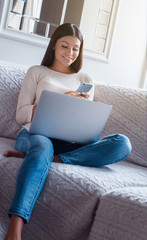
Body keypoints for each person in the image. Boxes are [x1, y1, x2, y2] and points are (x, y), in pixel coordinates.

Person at [3, 23, 132, 240]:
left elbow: (84, 120)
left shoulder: (85, 80)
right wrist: (58, 102)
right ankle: (15, 228)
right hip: (36, 135)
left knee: (122, 143)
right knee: (42, 146)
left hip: (71, 141)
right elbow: (21, 114)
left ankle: (50, 159)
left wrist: (80, 108)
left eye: (75, 49)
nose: (70, 53)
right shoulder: (37, 72)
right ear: (54, 45)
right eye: (65, 46)